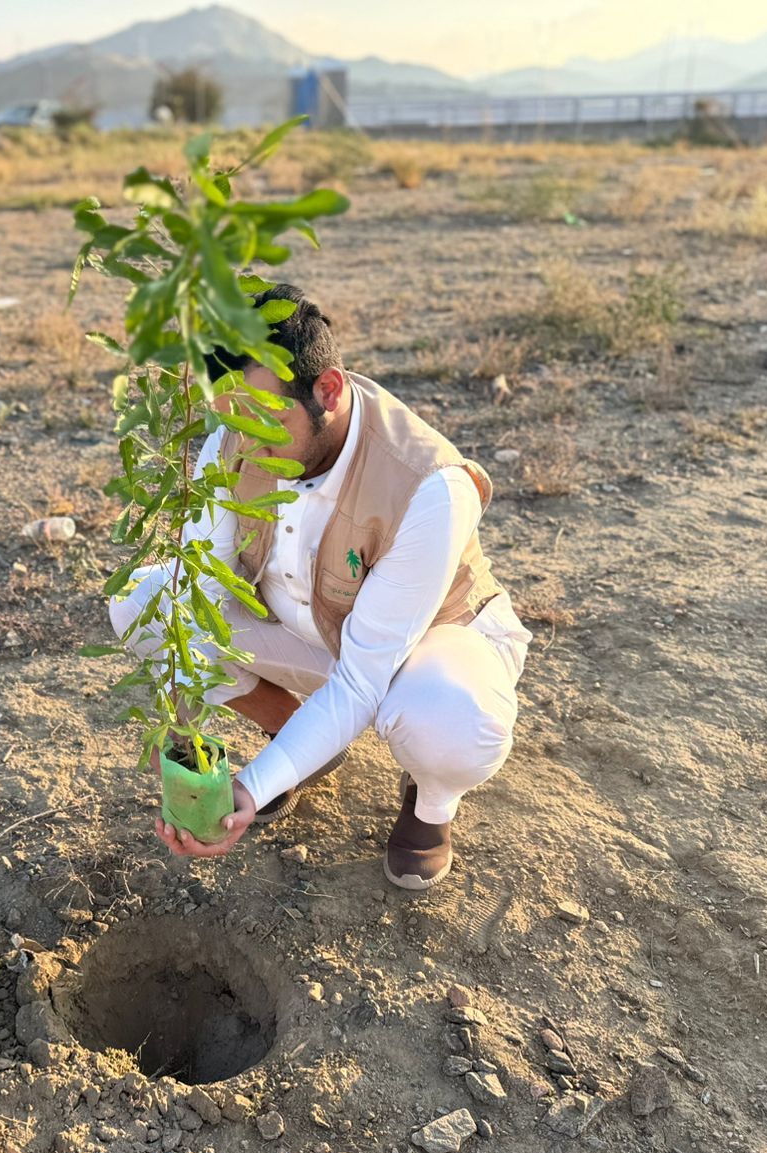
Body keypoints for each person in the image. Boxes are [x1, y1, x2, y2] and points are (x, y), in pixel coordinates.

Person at [108, 285, 531, 890]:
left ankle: (431, 803)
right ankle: (296, 735)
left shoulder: (429, 486)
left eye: (268, 421)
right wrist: (178, 724)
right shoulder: (235, 436)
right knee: (145, 604)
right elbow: (201, 583)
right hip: (306, 629)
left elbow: (362, 677)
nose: (248, 443)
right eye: (232, 420)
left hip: (420, 652)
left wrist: (250, 786)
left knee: (448, 722)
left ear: (327, 390)